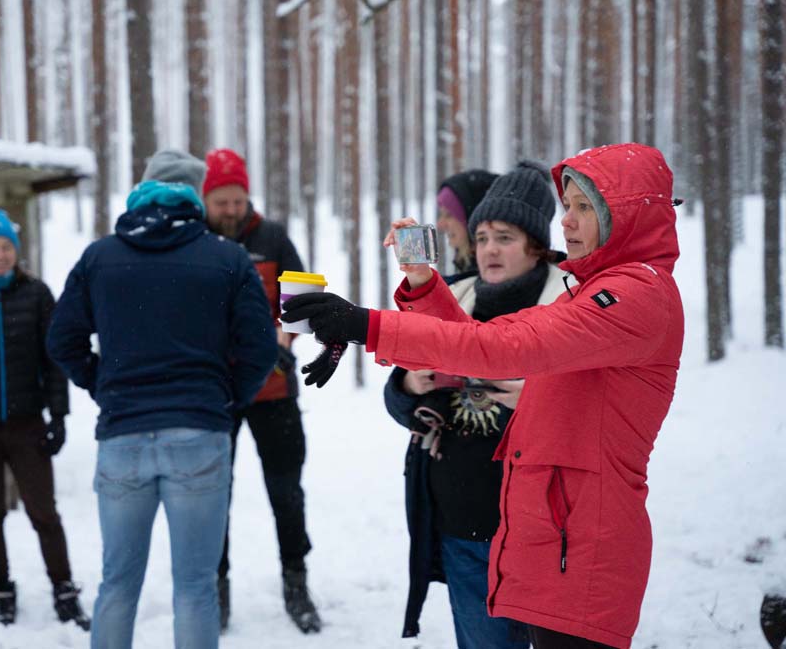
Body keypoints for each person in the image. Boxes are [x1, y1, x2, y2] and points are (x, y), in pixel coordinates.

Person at [283, 143, 684, 649]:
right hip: (554, 533)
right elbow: (476, 344)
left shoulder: (635, 296)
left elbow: (502, 346)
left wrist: (367, 325)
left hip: (582, 543)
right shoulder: (595, 288)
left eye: (587, 208)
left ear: (624, 214)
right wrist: (424, 284)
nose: (569, 223)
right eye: (569, 207)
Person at [46, 149, 277, 649]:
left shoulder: (100, 257)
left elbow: (61, 341)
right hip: (199, 432)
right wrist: (225, 399)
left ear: (143, 189)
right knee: (195, 587)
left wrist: (102, 385)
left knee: (118, 584)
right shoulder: (227, 258)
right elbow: (261, 349)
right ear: (195, 196)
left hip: (123, 436)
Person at [384, 162, 565, 647]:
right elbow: (400, 401)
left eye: (504, 237)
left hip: (544, 532)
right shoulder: (455, 295)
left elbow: (596, 409)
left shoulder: (569, 305)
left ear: (536, 245)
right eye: (482, 236)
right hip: (463, 524)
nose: (488, 249)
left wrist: (539, 397)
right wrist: (410, 388)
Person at [201, 147, 322, 633]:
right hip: (215, 394)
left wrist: (285, 338)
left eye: (237, 200)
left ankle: (297, 581)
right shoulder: (195, 240)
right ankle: (217, 586)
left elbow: (307, 296)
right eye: (221, 202)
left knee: (286, 493)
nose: (230, 210)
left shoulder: (272, 237)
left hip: (274, 391)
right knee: (213, 496)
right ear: (205, 200)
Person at [0, 208, 88, 630]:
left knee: (43, 512)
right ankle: (1, 589)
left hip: (27, 422)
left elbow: (53, 359)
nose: (0, 255)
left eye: (6, 248)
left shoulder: (36, 294)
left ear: (16, 252)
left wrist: (59, 415)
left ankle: (64, 589)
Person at [435, 169, 499, 273]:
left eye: (449, 215)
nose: (440, 225)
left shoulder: (490, 280)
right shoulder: (469, 272)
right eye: (441, 215)